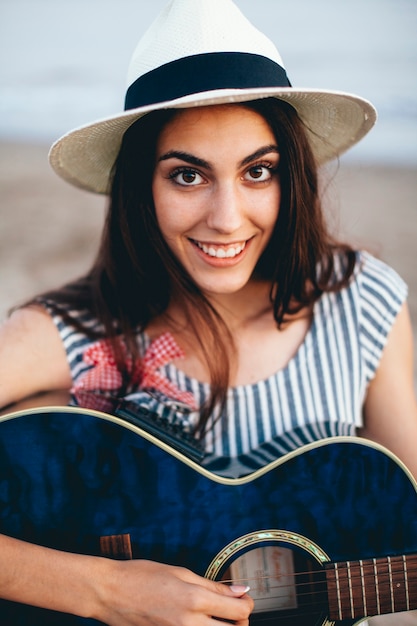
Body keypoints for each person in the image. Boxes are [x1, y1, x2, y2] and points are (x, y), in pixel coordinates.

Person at [0, 0, 416, 623]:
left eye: (258, 171)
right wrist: (103, 591)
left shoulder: (361, 303)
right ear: (142, 188)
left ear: (291, 177)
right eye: (188, 176)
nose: (226, 218)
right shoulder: (67, 333)